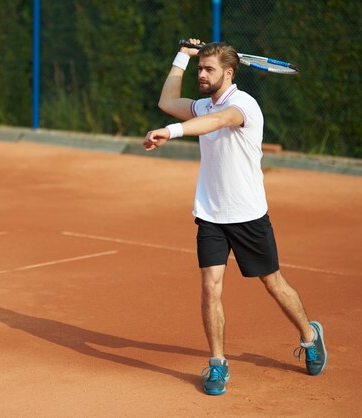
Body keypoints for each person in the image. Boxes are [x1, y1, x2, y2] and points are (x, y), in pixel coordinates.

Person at [143, 39, 327, 396]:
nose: (202, 74)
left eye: (208, 69)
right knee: (210, 288)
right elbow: (167, 102)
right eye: (200, 68)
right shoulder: (203, 104)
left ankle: (309, 334)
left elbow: (215, 122)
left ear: (228, 72)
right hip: (211, 214)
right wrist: (182, 55)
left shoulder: (242, 105)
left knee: (272, 283)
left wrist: (172, 131)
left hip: (248, 215)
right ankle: (217, 364)